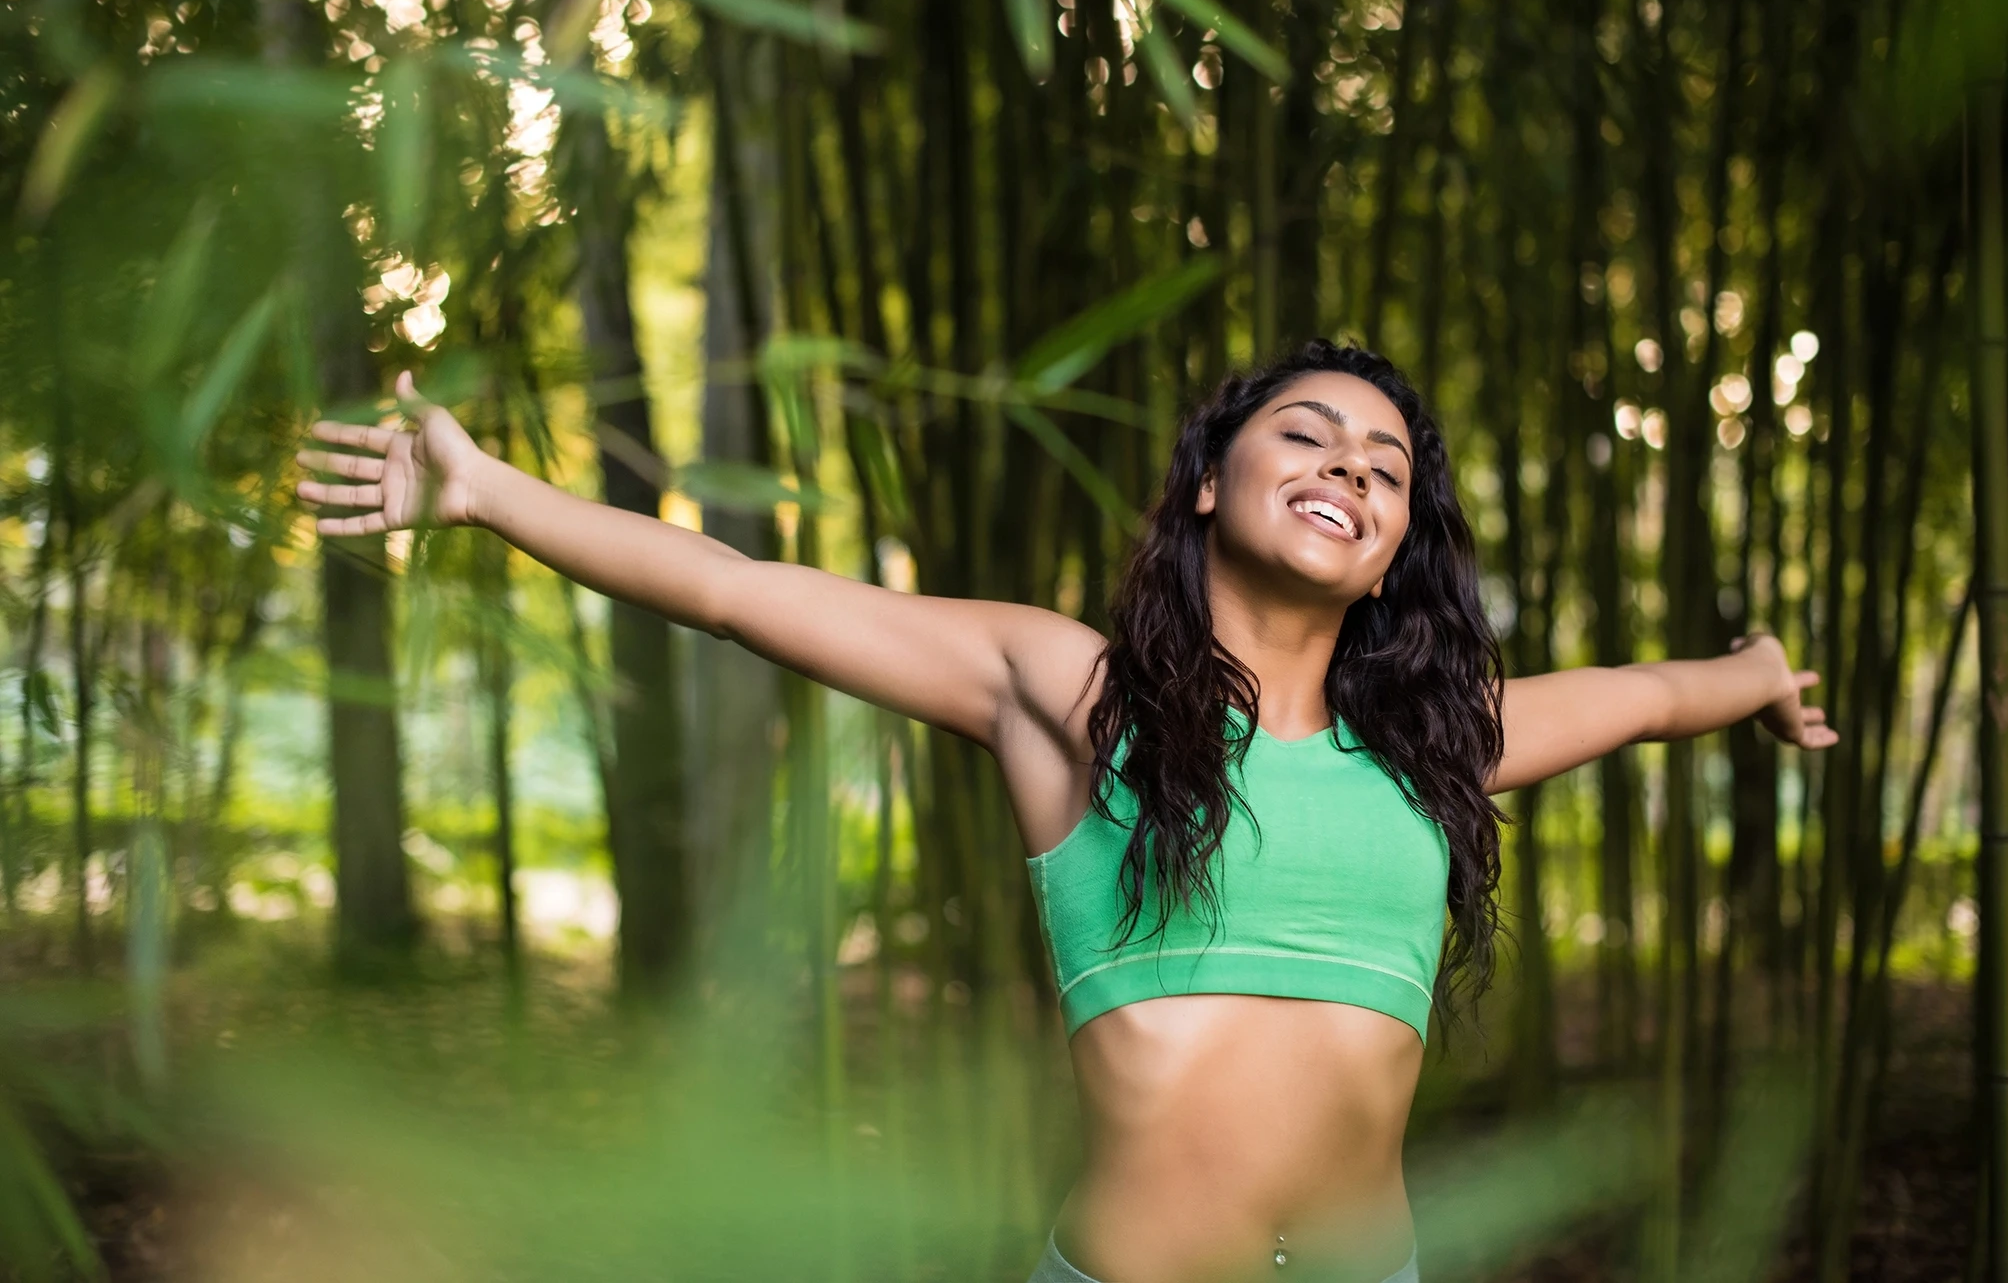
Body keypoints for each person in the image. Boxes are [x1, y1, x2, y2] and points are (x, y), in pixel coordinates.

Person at [295, 340, 1836, 1283]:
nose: (1349, 470)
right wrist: (488, 490)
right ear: (1211, 481)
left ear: (1393, 555)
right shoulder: (1079, 693)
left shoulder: (1437, 743)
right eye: (1308, 433)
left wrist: (1757, 672)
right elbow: (741, 590)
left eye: (1385, 469)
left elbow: (1645, 693)